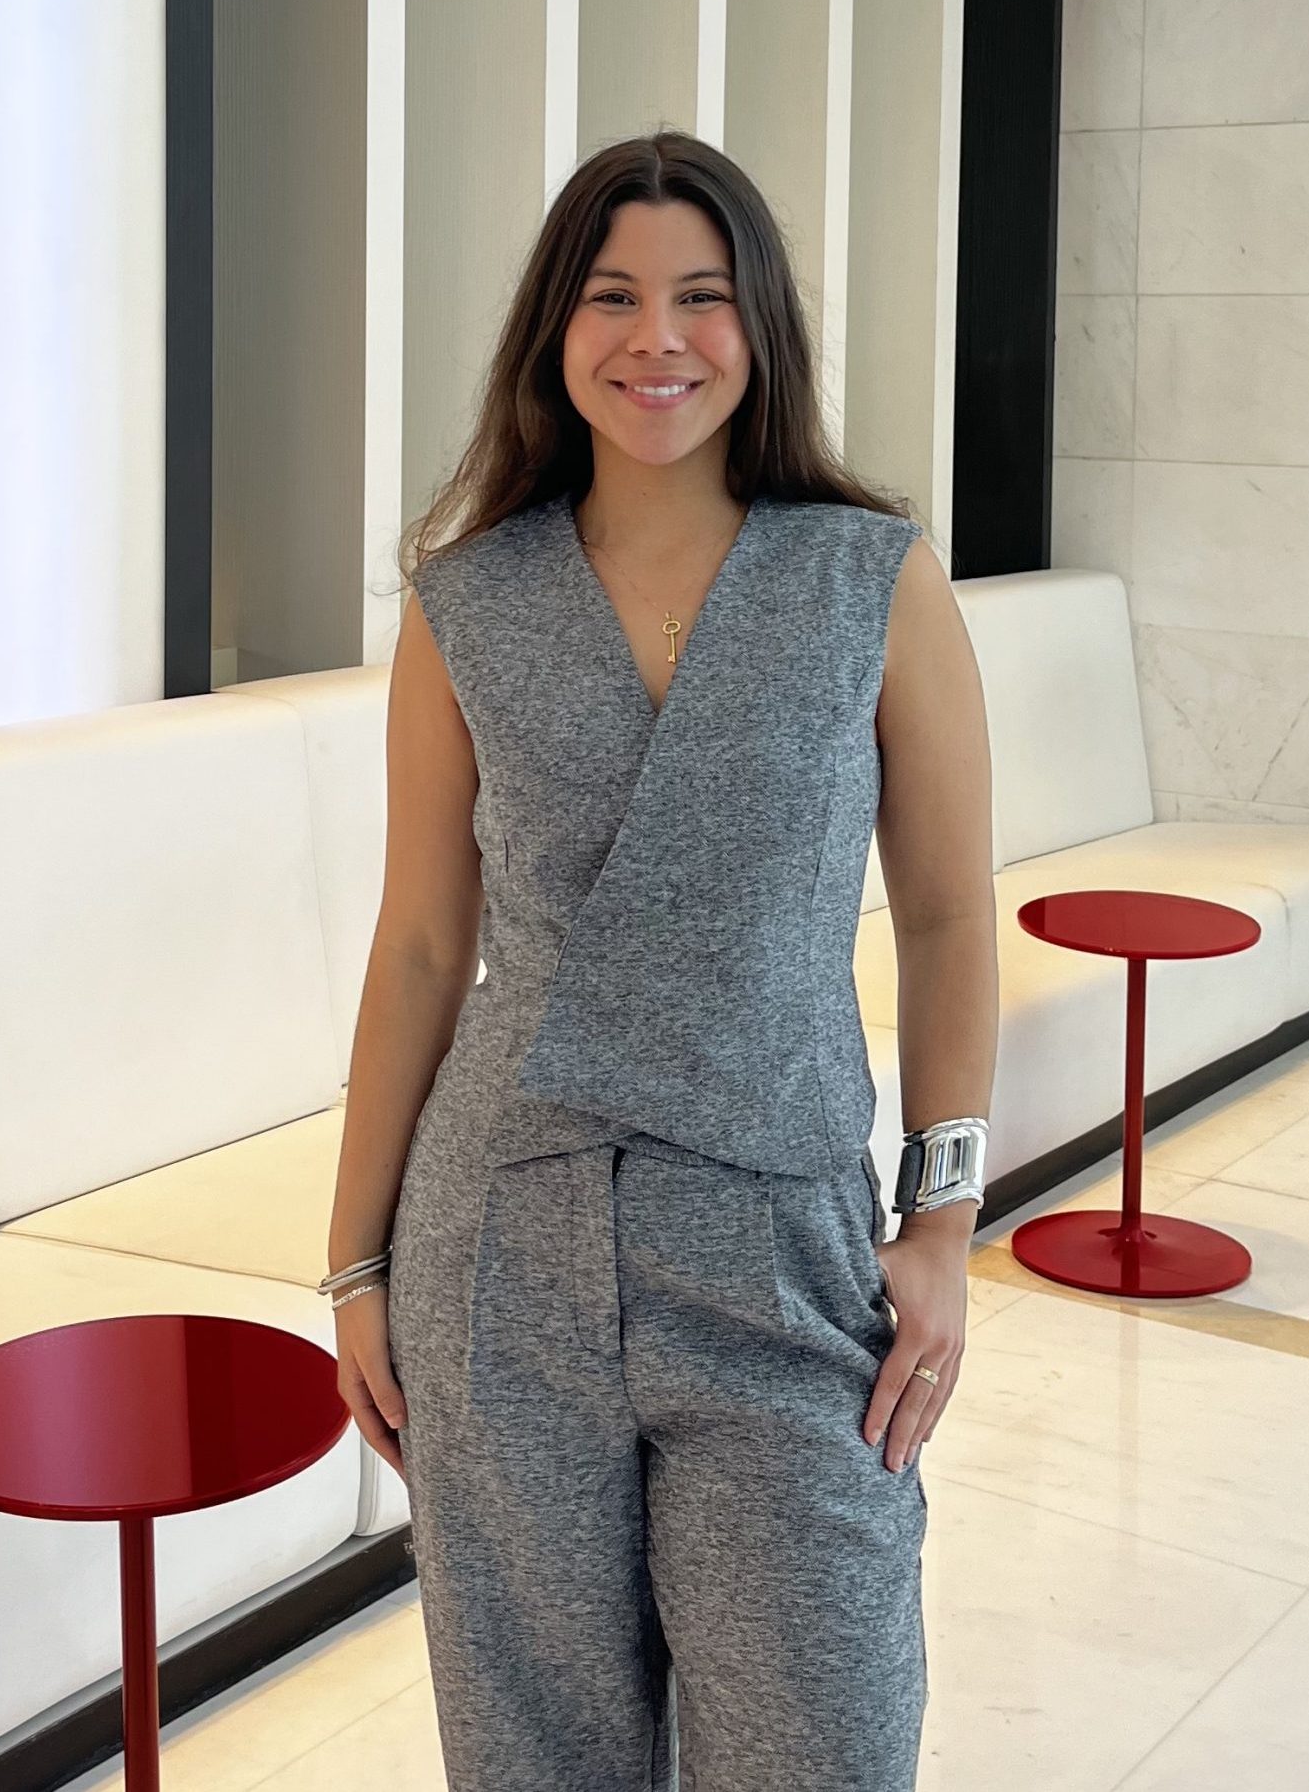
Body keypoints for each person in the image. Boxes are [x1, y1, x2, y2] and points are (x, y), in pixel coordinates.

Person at [321, 129, 997, 1791]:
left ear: (758, 326)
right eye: (613, 296)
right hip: (502, 1245)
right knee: (535, 1755)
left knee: (821, 1740)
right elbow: (422, 945)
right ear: (556, 328)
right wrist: (354, 1265)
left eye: (702, 295)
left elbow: (946, 913)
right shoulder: (466, 602)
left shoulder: (871, 578)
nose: (658, 338)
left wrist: (944, 1221)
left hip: (781, 1242)